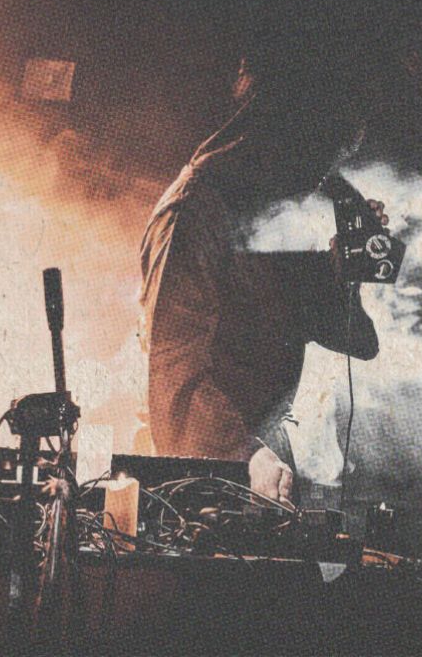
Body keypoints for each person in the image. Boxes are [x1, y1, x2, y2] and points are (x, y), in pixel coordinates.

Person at [139, 53, 393, 506]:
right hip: (204, 473)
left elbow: (358, 341)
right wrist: (245, 455)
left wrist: (344, 273)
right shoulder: (195, 212)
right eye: (318, 153)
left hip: (257, 459)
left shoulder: (270, 212)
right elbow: (174, 378)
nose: (319, 176)